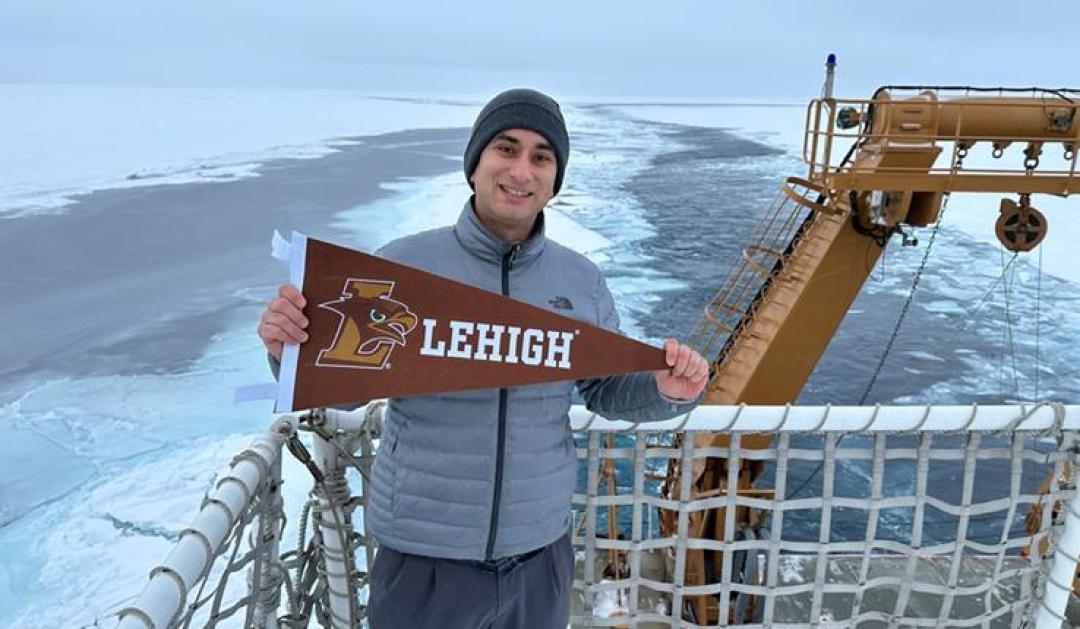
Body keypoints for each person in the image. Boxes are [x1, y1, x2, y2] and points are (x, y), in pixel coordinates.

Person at [257, 88, 710, 629]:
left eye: (541, 157)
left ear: (553, 179)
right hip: (423, 558)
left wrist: (664, 391)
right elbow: (346, 384)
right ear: (475, 164)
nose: (521, 170)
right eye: (506, 148)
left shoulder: (581, 281)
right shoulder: (404, 265)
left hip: (539, 555)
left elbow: (604, 390)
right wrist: (287, 350)